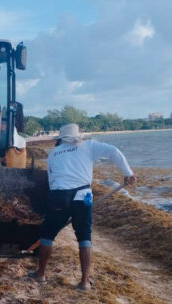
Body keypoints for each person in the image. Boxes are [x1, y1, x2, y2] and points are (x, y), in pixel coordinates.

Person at [29, 123, 136, 291]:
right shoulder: (89, 145)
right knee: (84, 237)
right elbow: (114, 152)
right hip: (83, 197)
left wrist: (57, 201)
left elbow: (51, 181)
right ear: (78, 136)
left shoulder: (54, 153)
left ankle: (40, 274)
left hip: (58, 197)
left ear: (61, 139)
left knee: (47, 235)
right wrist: (128, 173)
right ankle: (85, 282)